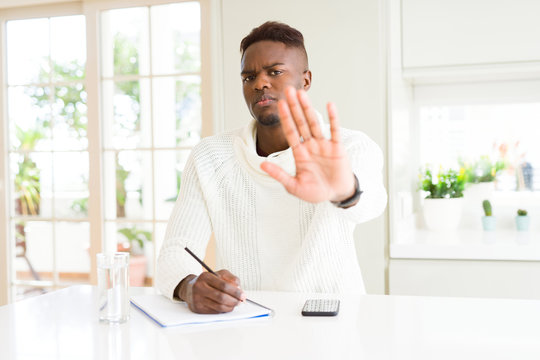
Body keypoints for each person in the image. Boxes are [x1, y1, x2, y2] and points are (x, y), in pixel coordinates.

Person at [156, 21, 387, 314]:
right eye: (248, 76)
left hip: (331, 321)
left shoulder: (349, 146)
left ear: (305, 80)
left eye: (275, 72)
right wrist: (189, 286)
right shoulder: (210, 156)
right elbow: (175, 252)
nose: (259, 83)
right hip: (246, 319)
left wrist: (345, 190)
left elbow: (373, 204)